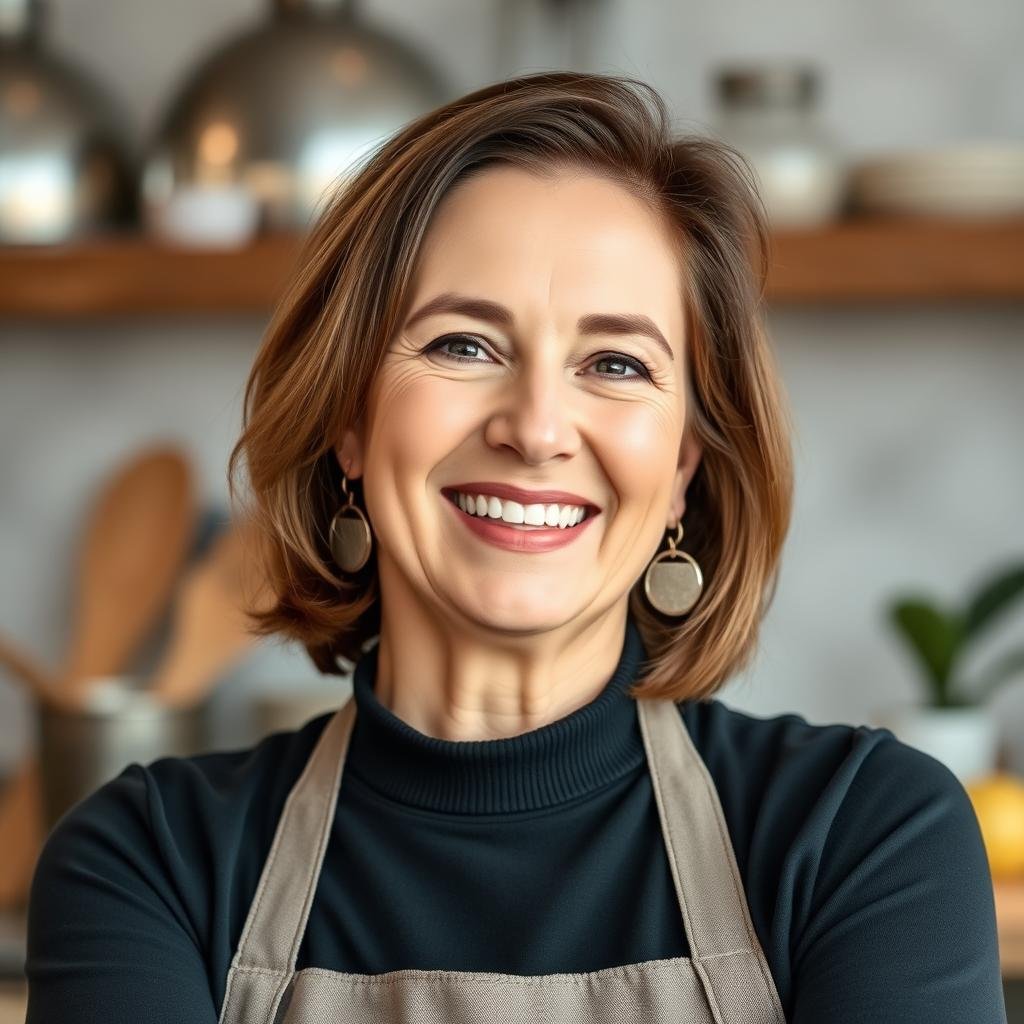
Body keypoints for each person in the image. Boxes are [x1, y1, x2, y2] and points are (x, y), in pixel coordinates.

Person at [25, 71, 1007, 1024]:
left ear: (681, 467)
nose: (536, 429)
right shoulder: (151, 861)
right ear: (349, 420)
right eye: (463, 345)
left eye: (615, 363)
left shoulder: (860, 834)